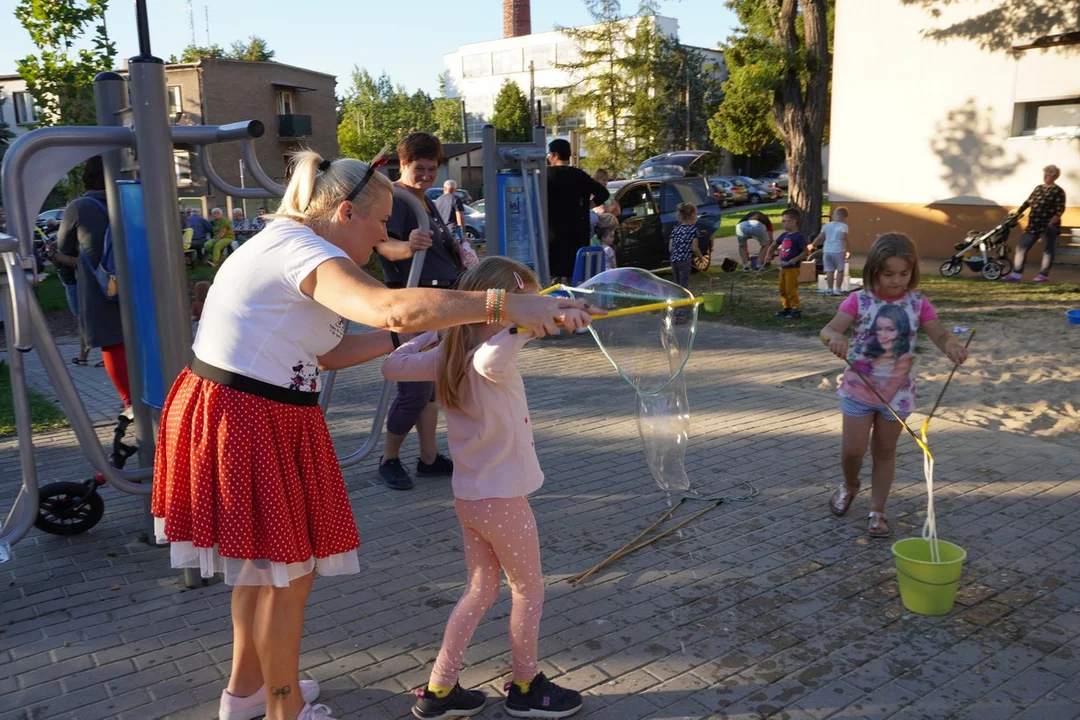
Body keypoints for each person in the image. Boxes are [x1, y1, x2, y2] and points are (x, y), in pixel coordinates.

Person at [151, 150, 594, 720]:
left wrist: (410, 341)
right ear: (343, 213)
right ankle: (281, 713)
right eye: (382, 221)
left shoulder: (285, 245)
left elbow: (330, 352)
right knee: (287, 576)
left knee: (264, 570)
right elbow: (390, 310)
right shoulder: (304, 250)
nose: (386, 235)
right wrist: (505, 303)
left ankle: (246, 695)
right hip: (251, 416)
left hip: (247, 410)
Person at [383, 257, 585, 720]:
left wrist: (439, 330)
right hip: (502, 500)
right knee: (529, 590)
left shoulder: (448, 355)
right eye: (523, 304)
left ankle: (439, 688)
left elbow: (393, 365)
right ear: (504, 310)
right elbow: (495, 353)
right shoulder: (490, 355)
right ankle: (525, 684)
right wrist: (528, 326)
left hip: (471, 499)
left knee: (480, 589)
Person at [820, 232, 968, 537]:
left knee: (885, 451)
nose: (897, 280)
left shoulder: (917, 303)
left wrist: (951, 345)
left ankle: (877, 509)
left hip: (898, 394)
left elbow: (939, 334)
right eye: (889, 274)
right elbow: (829, 329)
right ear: (874, 270)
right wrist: (835, 338)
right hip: (859, 390)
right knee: (852, 452)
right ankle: (849, 485)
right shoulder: (859, 299)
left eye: (904, 273)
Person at [374, 132, 465, 491]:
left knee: (429, 389)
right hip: (411, 304)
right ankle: (388, 458)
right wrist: (408, 246)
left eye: (432, 169)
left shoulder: (425, 200)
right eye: (419, 168)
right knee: (413, 390)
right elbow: (381, 245)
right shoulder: (395, 199)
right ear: (403, 165)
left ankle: (428, 457)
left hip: (438, 304)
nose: (426, 175)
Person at [56, 156, 132, 418]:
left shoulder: (79, 207)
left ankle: (130, 403)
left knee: (113, 344)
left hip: (102, 288)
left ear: (89, 176)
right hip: (143, 281)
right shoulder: (133, 199)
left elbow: (64, 249)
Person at [546, 139, 609, 281]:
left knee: (552, 275)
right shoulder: (579, 175)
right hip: (577, 234)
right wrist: (588, 205)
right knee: (576, 275)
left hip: (552, 235)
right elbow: (603, 194)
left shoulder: (545, 176)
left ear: (555, 155)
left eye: (549, 154)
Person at [1003, 164, 1067, 282]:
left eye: (1049, 174)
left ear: (1055, 177)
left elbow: (1061, 207)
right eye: (1045, 174)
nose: (1046, 176)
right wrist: (1018, 213)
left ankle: (1043, 275)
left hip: (1048, 225)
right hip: (1033, 224)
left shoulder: (1058, 191)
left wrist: (1056, 217)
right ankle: (1016, 274)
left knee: (1048, 250)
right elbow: (1028, 202)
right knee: (1021, 248)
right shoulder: (1038, 188)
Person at [768, 208, 808, 319]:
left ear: (793, 222)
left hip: (793, 268)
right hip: (783, 268)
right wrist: (768, 255)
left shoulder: (799, 237)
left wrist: (795, 259)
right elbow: (774, 244)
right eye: (783, 221)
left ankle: (796, 309)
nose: (783, 223)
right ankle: (786, 308)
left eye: (785, 221)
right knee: (782, 288)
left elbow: (805, 252)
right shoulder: (784, 235)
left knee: (790, 289)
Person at [814, 207, 850, 295]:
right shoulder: (844, 226)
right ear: (845, 217)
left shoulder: (827, 225)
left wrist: (813, 244)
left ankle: (830, 289)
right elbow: (844, 238)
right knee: (840, 270)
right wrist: (847, 250)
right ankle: (838, 289)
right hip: (838, 251)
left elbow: (820, 237)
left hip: (827, 251)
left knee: (830, 271)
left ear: (834, 216)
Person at [669, 203, 704, 292]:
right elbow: (694, 248)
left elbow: (670, 248)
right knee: (683, 285)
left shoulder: (675, 230)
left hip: (674, 260)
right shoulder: (693, 230)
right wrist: (700, 258)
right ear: (692, 215)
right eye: (696, 214)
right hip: (685, 260)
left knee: (677, 284)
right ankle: (684, 302)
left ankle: (677, 301)